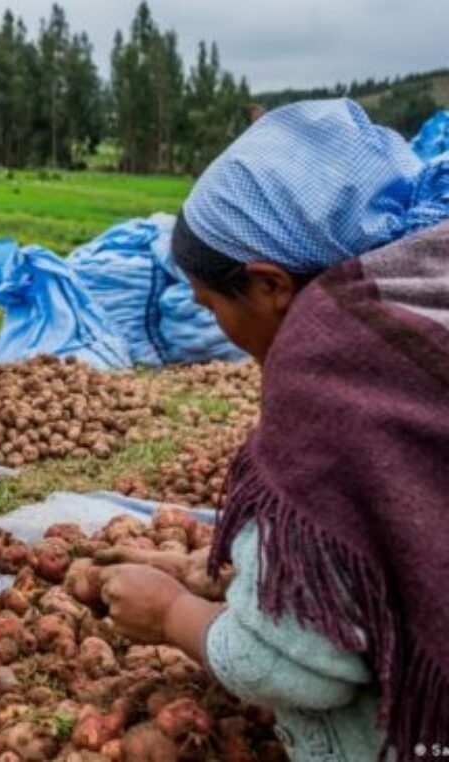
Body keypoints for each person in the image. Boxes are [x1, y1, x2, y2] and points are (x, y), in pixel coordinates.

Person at [98, 99, 449, 760]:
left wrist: (172, 615)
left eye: (209, 305)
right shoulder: (425, 286)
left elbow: (296, 669)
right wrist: (246, 577)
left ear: (268, 284)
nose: (220, 334)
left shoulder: (330, 366)